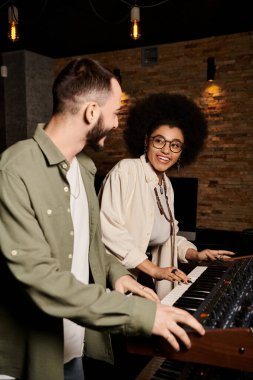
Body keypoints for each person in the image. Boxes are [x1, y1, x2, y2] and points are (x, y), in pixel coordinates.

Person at [0, 59, 205, 380]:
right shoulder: (14, 169)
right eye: (115, 112)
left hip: (73, 344)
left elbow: (90, 243)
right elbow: (40, 277)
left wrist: (116, 273)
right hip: (32, 357)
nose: (116, 123)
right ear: (91, 112)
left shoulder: (84, 168)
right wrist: (141, 315)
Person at [98, 93, 235, 300]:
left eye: (175, 145)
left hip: (146, 277)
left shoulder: (166, 185)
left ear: (180, 151)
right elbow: (108, 230)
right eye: (159, 141)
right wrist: (153, 270)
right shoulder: (125, 171)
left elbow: (167, 237)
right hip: (119, 277)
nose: (166, 150)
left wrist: (195, 254)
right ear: (146, 142)